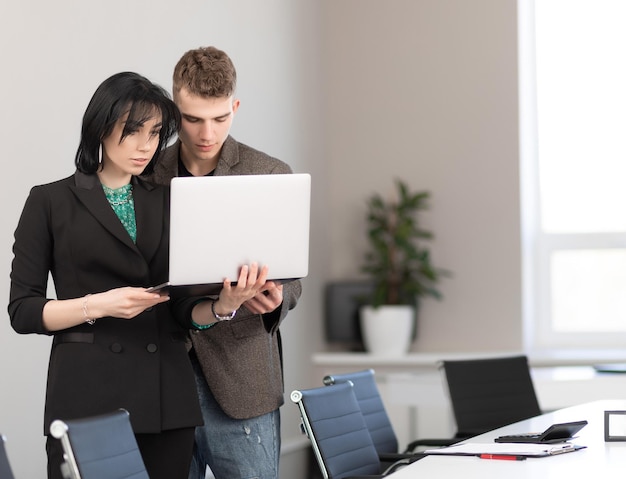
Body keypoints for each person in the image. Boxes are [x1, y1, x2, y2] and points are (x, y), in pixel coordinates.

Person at [8, 71, 267, 479]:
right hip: (87, 396)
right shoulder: (50, 201)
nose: (146, 146)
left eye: (156, 133)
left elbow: (182, 310)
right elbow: (23, 311)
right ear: (100, 127)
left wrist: (223, 306)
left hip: (166, 397)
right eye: (133, 131)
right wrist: (99, 304)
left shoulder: (168, 201)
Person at [148, 46, 303, 479]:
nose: (206, 133)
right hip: (160, 376)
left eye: (219, 118)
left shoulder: (269, 173)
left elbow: (292, 277)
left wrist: (275, 298)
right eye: (193, 118)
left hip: (241, 379)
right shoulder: (145, 175)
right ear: (175, 108)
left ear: (235, 106)